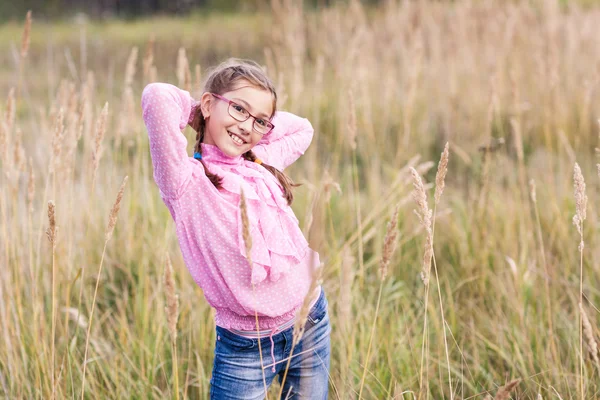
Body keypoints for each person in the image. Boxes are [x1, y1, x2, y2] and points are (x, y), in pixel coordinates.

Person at [141, 58, 331, 399]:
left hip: (310, 319)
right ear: (210, 103)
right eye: (239, 109)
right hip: (246, 347)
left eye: (260, 121)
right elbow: (157, 96)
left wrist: (253, 126)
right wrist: (199, 113)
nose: (247, 126)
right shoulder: (185, 182)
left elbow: (303, 128)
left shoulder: (259, 160)